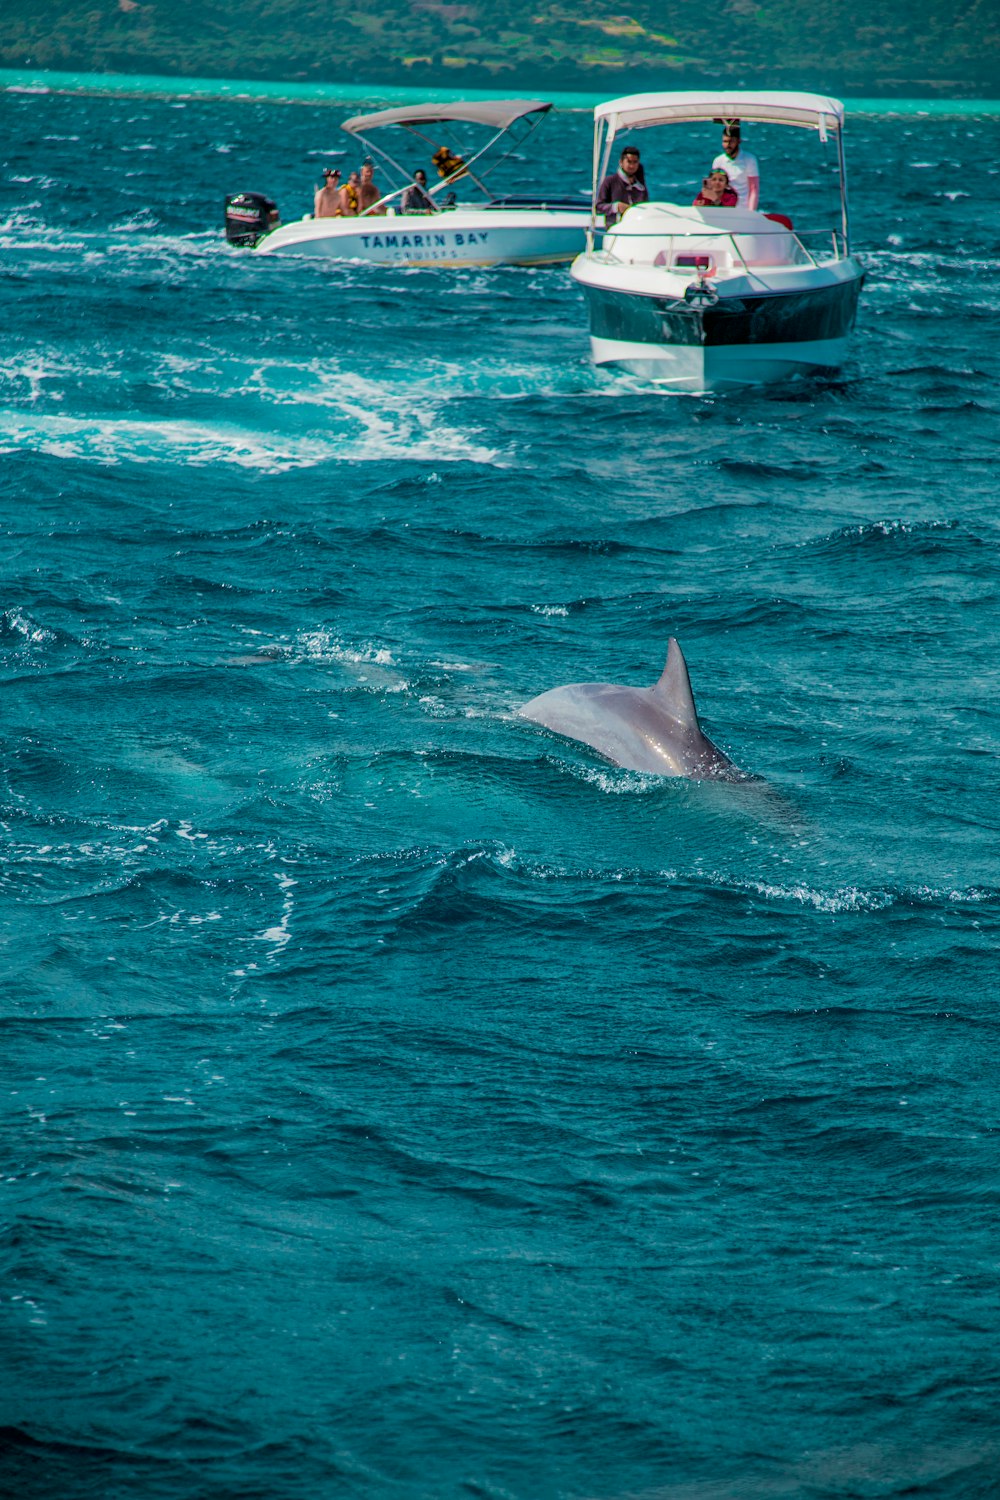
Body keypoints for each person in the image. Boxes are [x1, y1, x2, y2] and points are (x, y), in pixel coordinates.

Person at [596, 144, 649, 226]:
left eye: (635, 162)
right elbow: (598, 207)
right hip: (615, 230)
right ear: (621, 162)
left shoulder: (640, 186)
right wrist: (616, 207)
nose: (632, 166)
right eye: (629, 162)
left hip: (637, 228)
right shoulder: (610, 181)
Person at [713, 123, 759, 209]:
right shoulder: (718, 161)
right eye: (725, 141)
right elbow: (715, 187)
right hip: (724, 208)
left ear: (739, 141)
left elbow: (754, 189)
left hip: (743, 208)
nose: (728, 145)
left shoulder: (749, 159)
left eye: (731, 141)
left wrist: (751, 213)